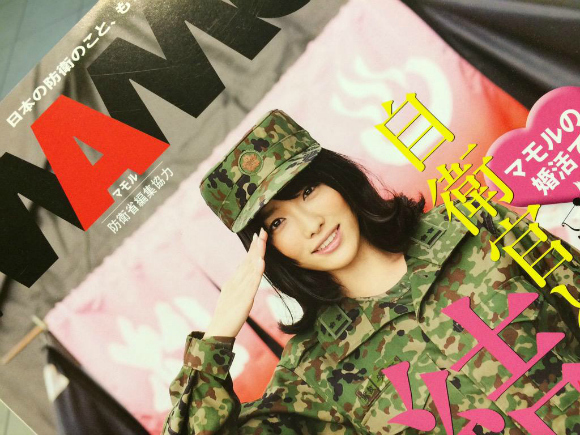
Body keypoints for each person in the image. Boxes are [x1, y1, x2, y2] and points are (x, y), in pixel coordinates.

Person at [162, 110, 580, 435]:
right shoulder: (313, 374)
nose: (311, 224)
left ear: (339, 180)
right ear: (266, 247)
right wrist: (217, 340)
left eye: (308, 191)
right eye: (278, 222)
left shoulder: (471, 227)